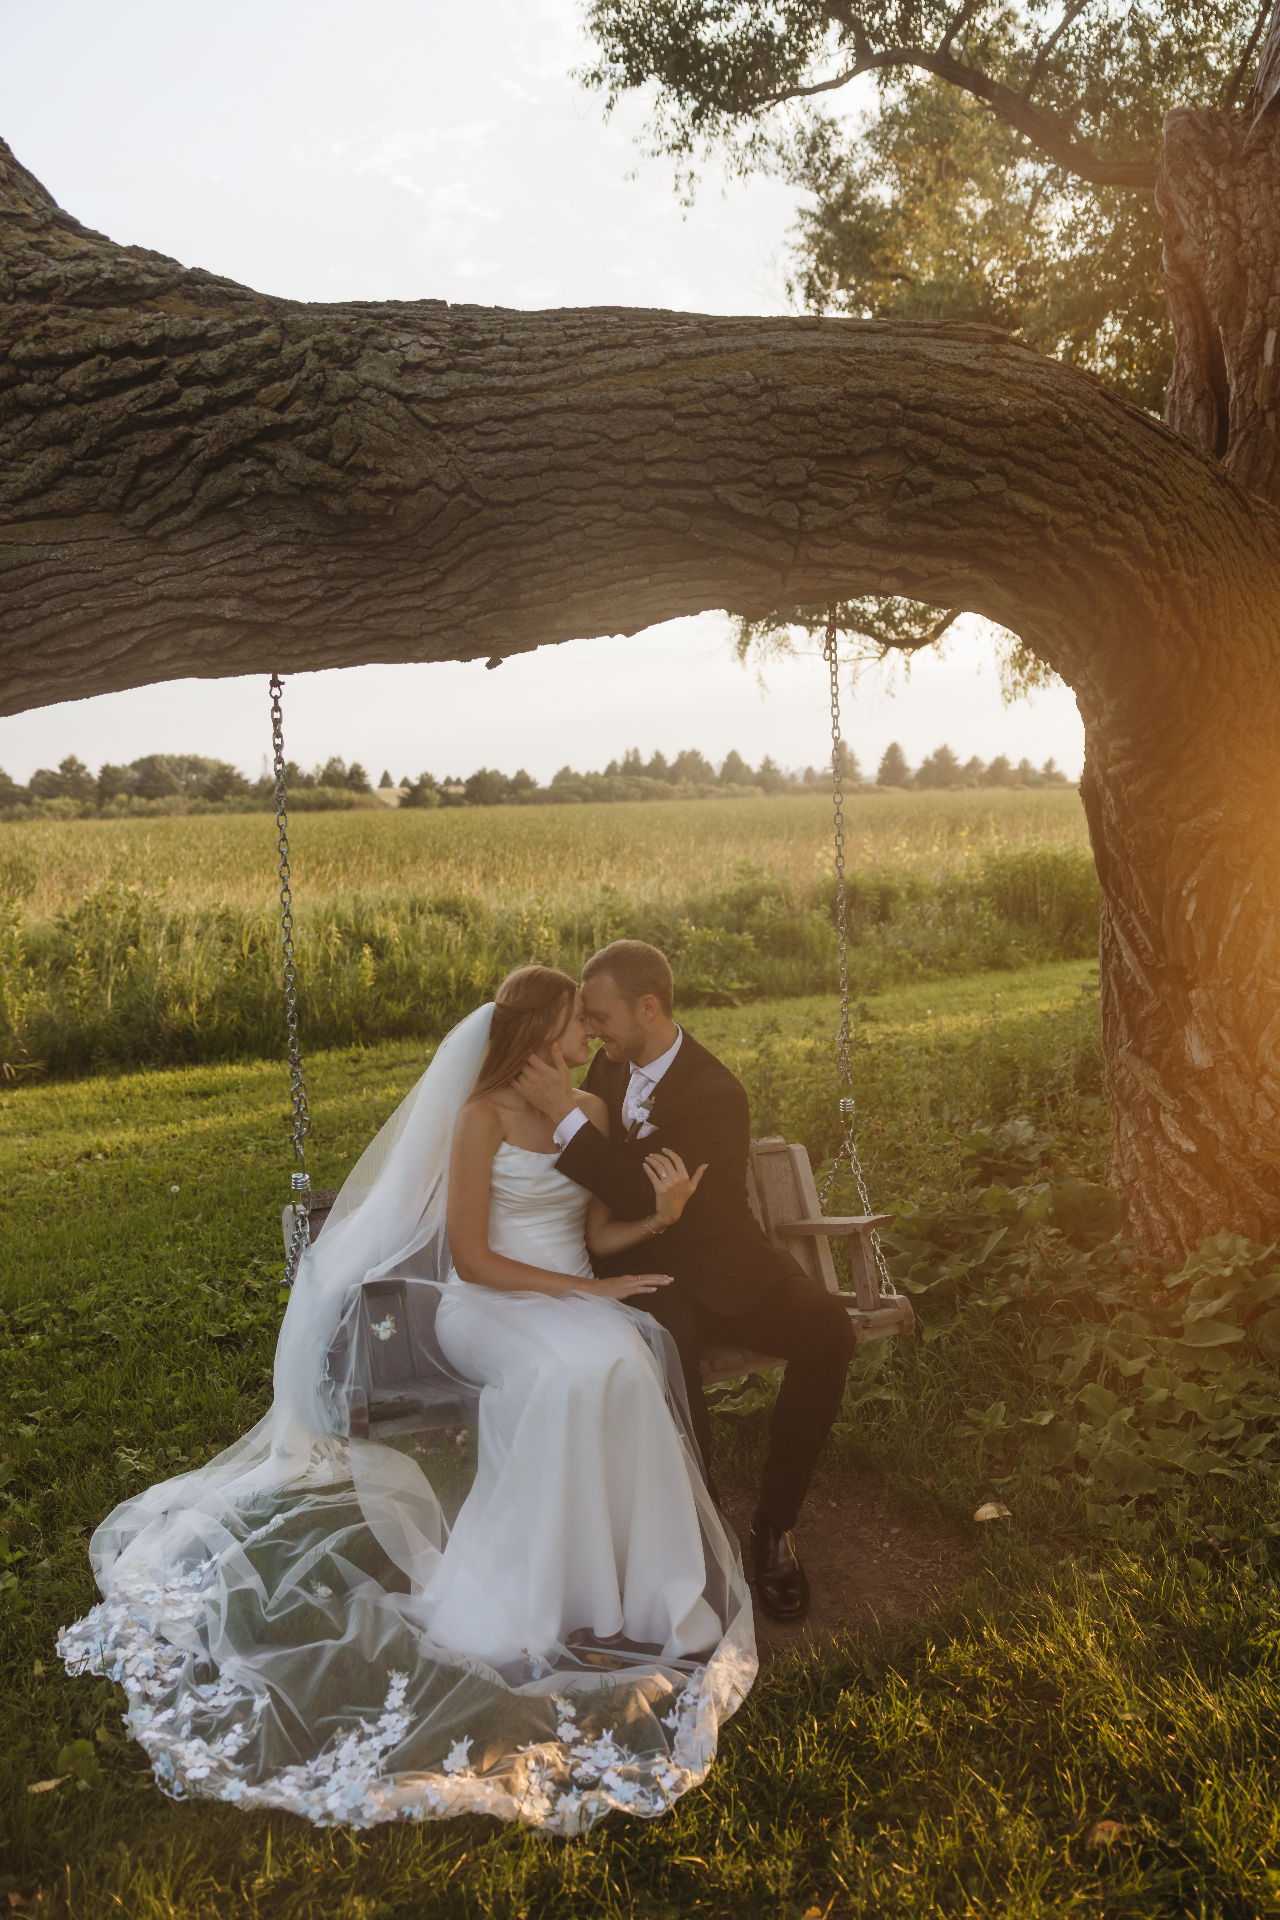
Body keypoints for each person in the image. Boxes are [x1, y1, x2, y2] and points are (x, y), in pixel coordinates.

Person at [57, 967, 755, 1835]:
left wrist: (650, 1227)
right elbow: (471, 1260)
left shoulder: (593, 1116)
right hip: (491, 1307)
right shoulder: (481, 1117)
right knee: (565, 1370)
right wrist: (585, 1295)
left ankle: (625, 1593)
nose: (588, 1040)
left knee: (623, 1362)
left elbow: (597, 1232)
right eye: (577, 1025)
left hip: (569, 1295)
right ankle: (532, 1592)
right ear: (540, 1033)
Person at [515, 939, 857, 1624]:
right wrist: (568, 1110)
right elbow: (625, 1207)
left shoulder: (714, 1092)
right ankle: (703, 1534)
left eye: (601, 1016)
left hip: (729, 1263)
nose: (591, 1030)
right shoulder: (601, 1075)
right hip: (648, 1269)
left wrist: (564, 1118)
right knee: (670, 1342)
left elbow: (641, 1193)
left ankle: (773, 1527)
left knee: (827, 1327)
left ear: (649, 1007)